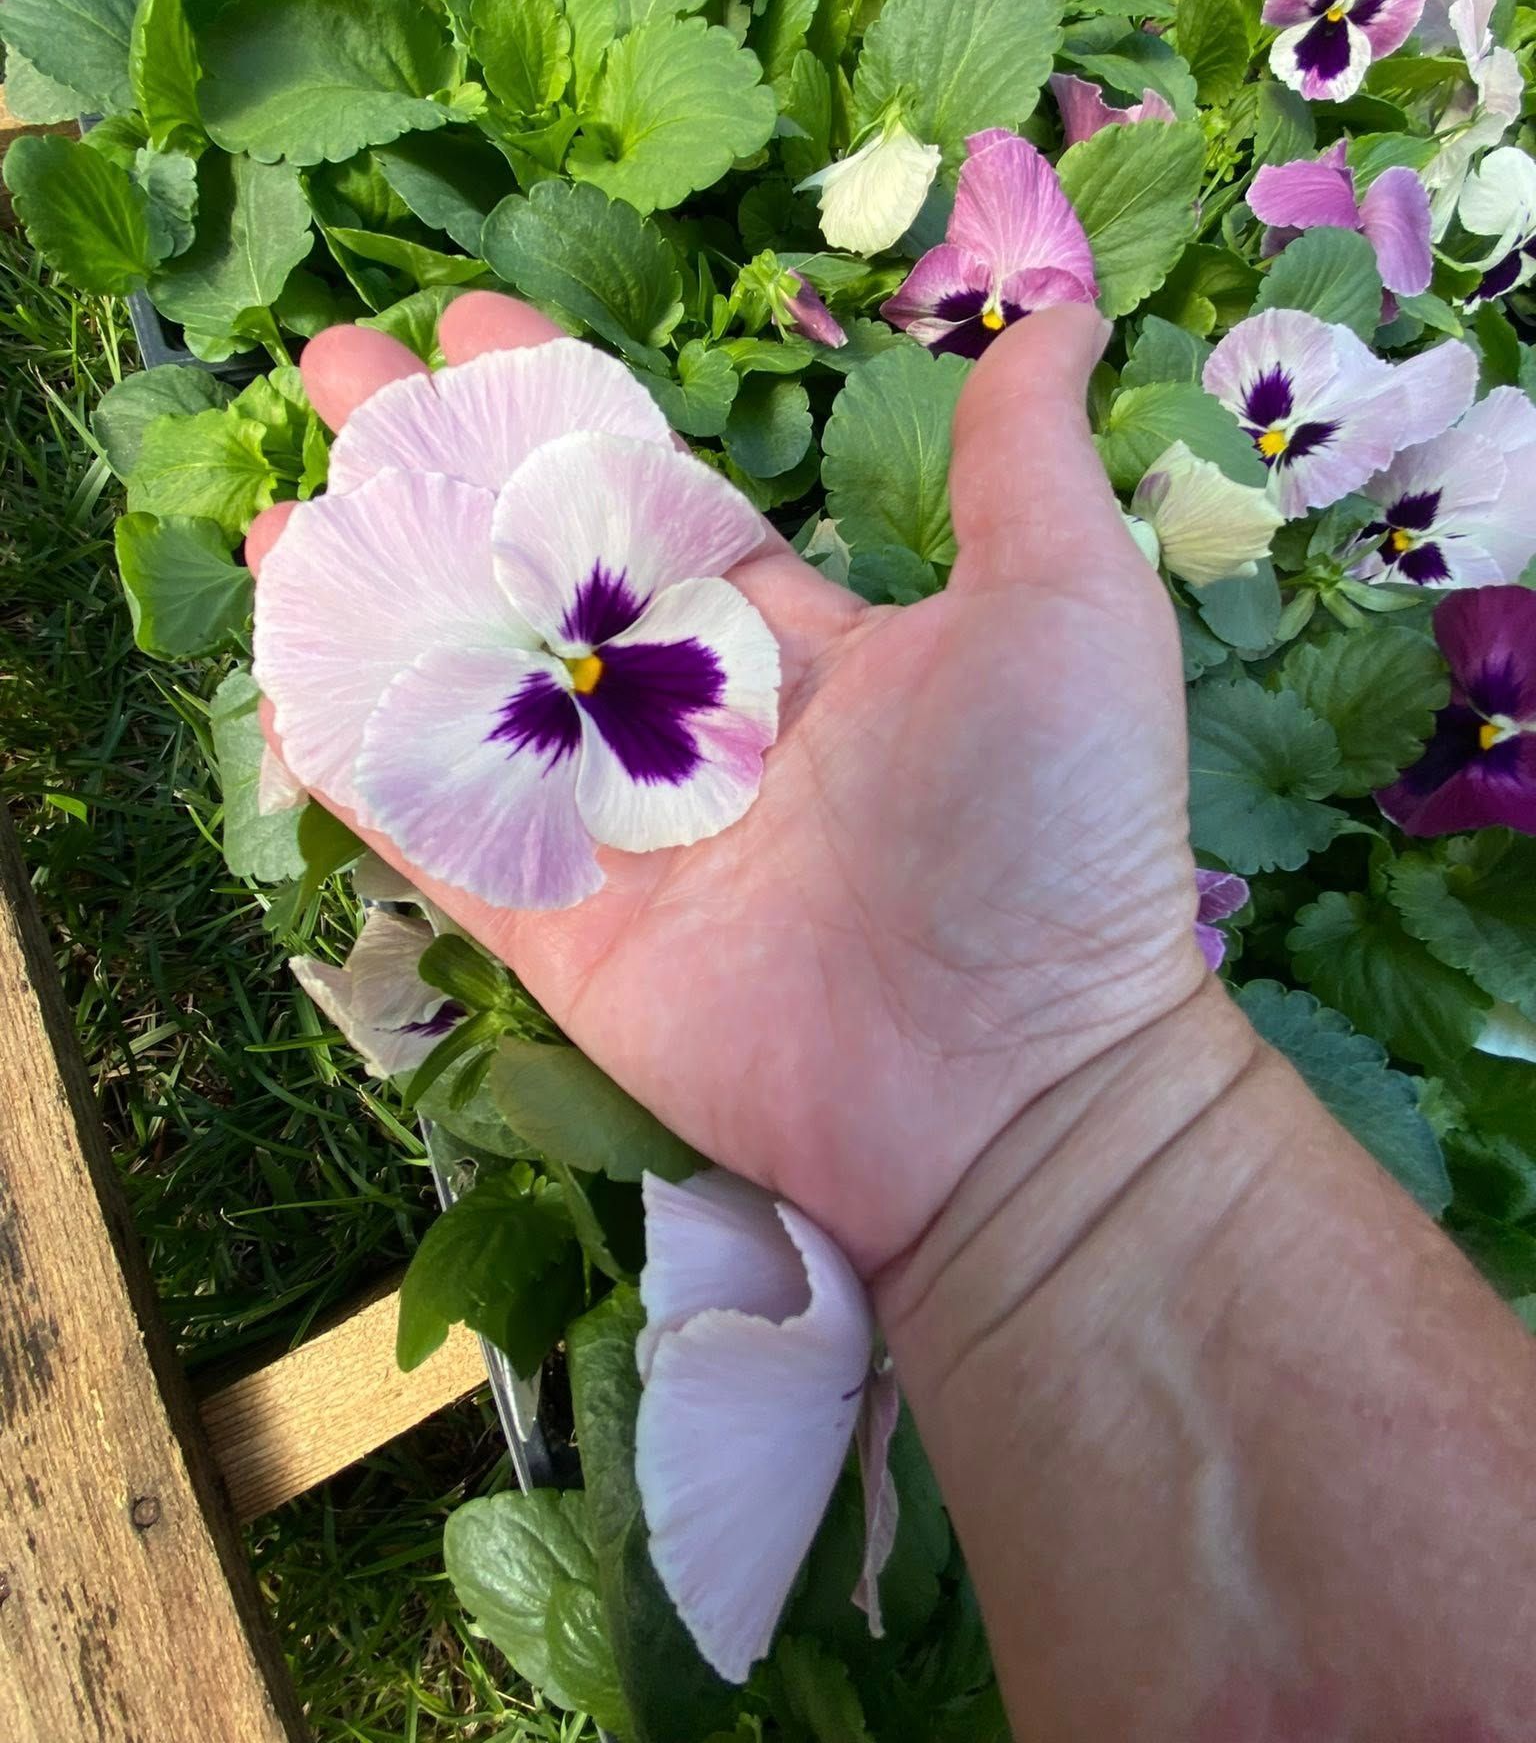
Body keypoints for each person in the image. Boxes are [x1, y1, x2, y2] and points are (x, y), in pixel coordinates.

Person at [251, 291, 1536, 1742]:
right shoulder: (582, 657)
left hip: (607, 698)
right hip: (607, 688)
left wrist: (1099, 1099)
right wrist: (1113, 1126)